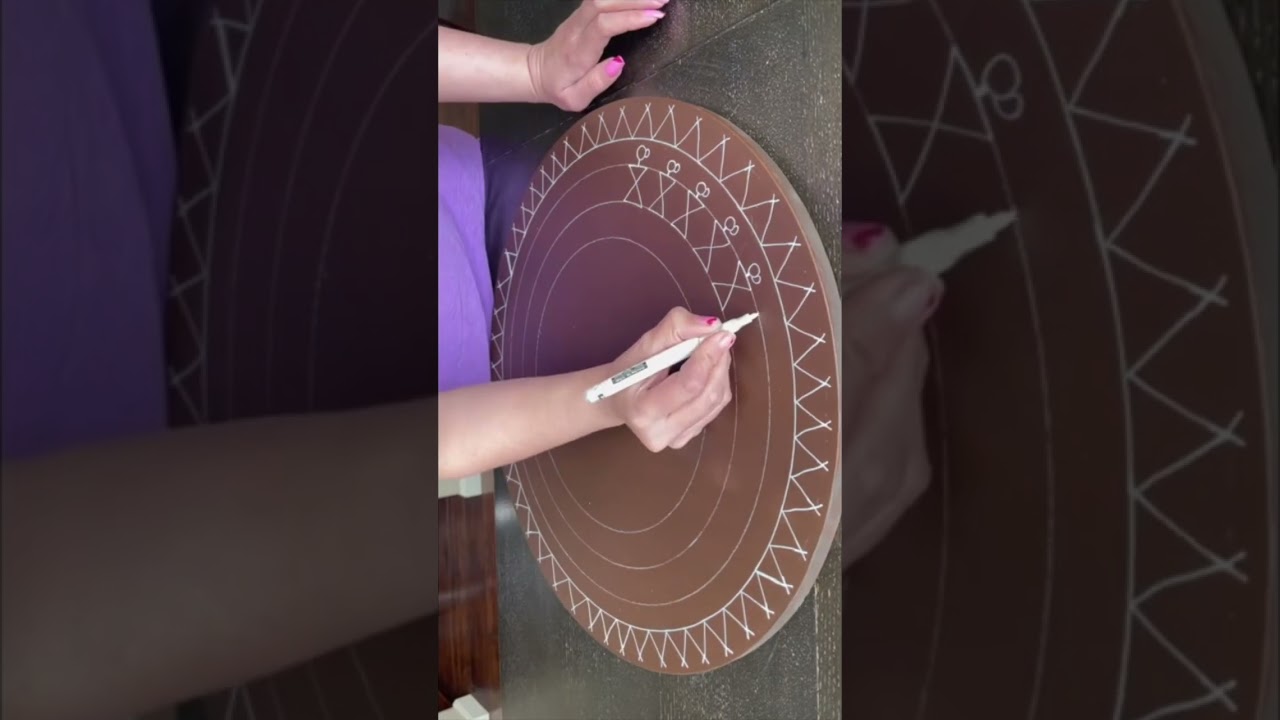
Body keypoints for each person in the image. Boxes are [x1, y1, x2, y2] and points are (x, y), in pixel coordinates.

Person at [2, 1, 725, 718]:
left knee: (725, 196)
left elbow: (280, 52)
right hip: (519, 374)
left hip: (487, 191)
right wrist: (603, 396)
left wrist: (536, 70)